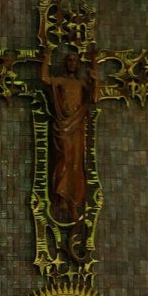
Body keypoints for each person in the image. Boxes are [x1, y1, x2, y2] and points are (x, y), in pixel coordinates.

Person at [41, 49, 97, 223]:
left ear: (78, 65)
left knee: (76, 162)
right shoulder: (61, 80)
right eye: (69, 60)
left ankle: (73, 202)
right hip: (62, 125)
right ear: (65, 63)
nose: (72, 63)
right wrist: (46, 58)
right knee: (64, 158)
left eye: (75, 61)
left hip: (77, 125)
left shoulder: (82, 84)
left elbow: (95, 98)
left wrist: (95, 77)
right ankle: (61, 198)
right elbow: (44, 79)